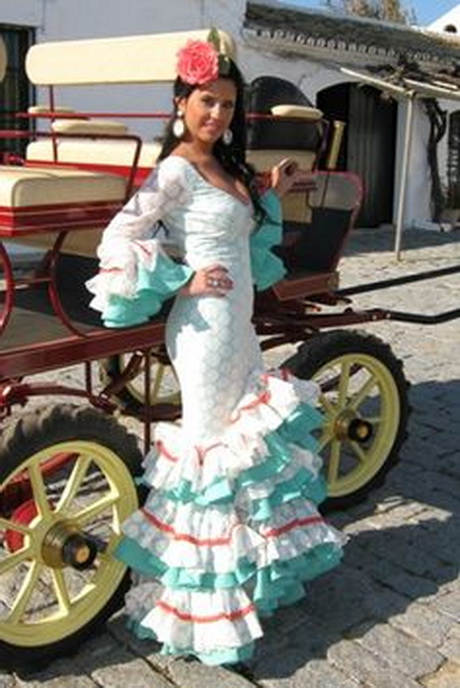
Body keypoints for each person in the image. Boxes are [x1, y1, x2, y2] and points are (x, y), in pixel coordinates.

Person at [87, 33, 344, 667]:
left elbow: (240, 224)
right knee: (207, 461)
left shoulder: (225, 167)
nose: (216, 115)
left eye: (227, 105)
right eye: (207, 101)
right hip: (202, 329)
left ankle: (243, 586)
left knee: (242, 454)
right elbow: (119, 234)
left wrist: (270, 190)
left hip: (238, 324)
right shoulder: (174, 167)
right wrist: (181, 277)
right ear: (182, 101)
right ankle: (198, 615)